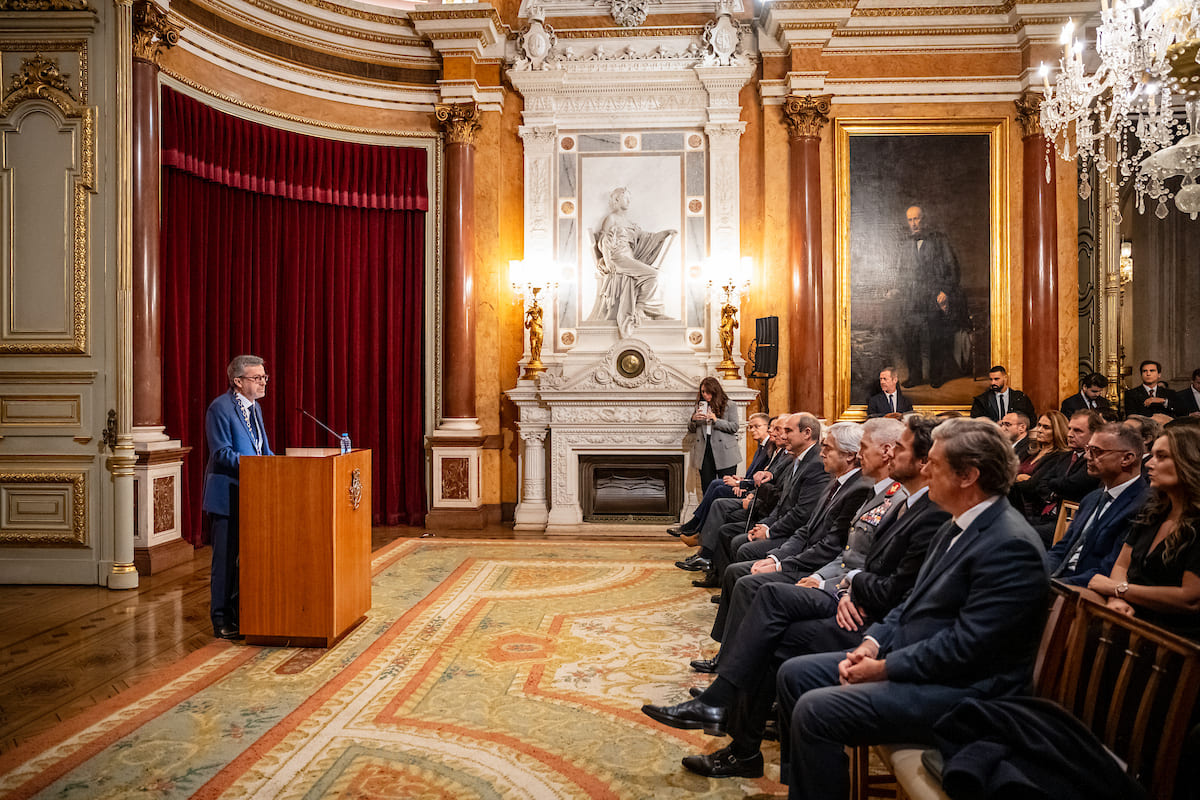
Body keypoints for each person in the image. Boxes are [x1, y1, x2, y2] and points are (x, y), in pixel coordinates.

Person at [774, 417, 1049, 800]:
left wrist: (884, 667)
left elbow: (967, 647)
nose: (925, 470)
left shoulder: (1009, 544)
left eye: (934, 464)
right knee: (795, 674)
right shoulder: (956, 525)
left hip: (968, 692)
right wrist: (872, 643)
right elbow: (911, 601)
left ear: (968, 475)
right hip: (921, 664)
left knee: (816, 710)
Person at [1088, 425, 1200, 641]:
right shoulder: (1153, 511)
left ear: (1190, 462)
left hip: (1172, 637)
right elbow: (1122, 565)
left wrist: (1119, 590)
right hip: (1132, 613)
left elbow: (1190, 599)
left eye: (1162, 456)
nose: (1149, 463)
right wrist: (1117, 600)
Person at [202, 355, 274, 640]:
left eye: (264, 377)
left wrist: (277, 466)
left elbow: (262, 449)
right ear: (238, 381)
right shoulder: (219, 408)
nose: (263, 382)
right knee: (225, 560)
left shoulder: (255, 408)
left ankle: (242, 614)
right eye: (257, 378)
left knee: (249, 559)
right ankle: (220, 619)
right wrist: (257, 466)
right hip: (227, 496)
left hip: (253, 495)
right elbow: (221, 453)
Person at [1046, 423, 1148, 586]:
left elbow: (1110, 568)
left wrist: (1054, 586)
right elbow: (1062, 548)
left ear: (1127, 458)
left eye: (1096, 451)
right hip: (1059, 581)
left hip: (1089, 589)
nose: (1087, 456)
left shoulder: (1143, 506)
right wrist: (1038, 574)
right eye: (1088, 449)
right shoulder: (1092, 498)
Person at [586, 186, 675, 337]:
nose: (629, 200)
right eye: (626, 197)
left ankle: (650, 310)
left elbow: (646, 238)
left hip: (629, 258)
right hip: (618, 258)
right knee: (656, 275)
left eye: (629, 198)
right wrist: (607, 261)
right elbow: (604, 241)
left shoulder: (630, 223)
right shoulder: (611, 218)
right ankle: (642, 309)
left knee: (659, 276)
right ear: (617, 199)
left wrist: (664, 234)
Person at [668, 413, 776, 538]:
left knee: (719, 489)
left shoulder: (770, 448)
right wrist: (741, 479)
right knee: (715, 483)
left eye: (756, 426)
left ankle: (697, 528)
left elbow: (764, 479)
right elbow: (755, 474)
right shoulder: (761, 446)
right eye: (750, 427)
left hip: (753, 491)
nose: (752, 430)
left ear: (767, 427)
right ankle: (696, 527)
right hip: (747, 485)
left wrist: (740, 484)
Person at [896, 206, 969, 389]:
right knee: (911, 338)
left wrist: (945, 292)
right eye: (910, 220)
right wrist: (897, 290)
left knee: (936, 338)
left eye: (917, 219)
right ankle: (915, 377)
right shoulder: (905, 245)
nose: (914, 223)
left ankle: (936, 376)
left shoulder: (940, 240)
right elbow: (901, 273)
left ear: (925, 219)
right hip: (912, 301)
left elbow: (953, 269)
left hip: (933, 298)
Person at [1008, 411, 1072, 537]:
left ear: (1057, 431)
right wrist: (1017, 477)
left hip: (1035, 512)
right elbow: (1007, 471)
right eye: (1039, 425)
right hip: (1015, 505)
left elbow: (1032, 485)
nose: (1039, 430)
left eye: (1046, 427)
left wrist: (1013, 478)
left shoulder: (1059, 456)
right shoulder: (1030, 451)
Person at [687, 377, 738, 492]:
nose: (705, 395)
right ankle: (708, 504)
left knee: (726, 487)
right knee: (707, 487)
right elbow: (691, 429)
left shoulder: (729, 405)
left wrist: (716, 420)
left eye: (708, 392)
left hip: (725, 451)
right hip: (705, 450)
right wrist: (693, 420)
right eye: (703, 392)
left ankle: (723, 504)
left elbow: (734, 427)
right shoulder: (700, 406)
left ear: (715, 391)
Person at [970, 365, 1036, 423]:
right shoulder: (982, 400)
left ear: (1005, 378)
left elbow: (1031, 419)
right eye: (991, 379)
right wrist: (995, 425)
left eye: (996, 379)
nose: (993, 383)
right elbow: (976, 423)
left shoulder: (1020, 398)